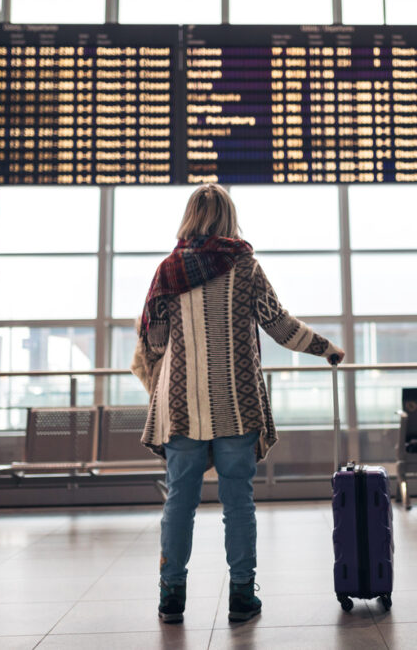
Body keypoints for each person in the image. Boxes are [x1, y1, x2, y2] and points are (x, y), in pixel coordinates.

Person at [131, 183, 344, 625]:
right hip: (237, 401)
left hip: (181, 404)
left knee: (179, 502)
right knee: (238, 502)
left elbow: (154, 339)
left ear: (190, 216)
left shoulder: (169, 271)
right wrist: (325, 348)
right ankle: (242, 596)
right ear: (229, 217)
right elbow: (279, 324)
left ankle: (171, 597)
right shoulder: (244, 265)